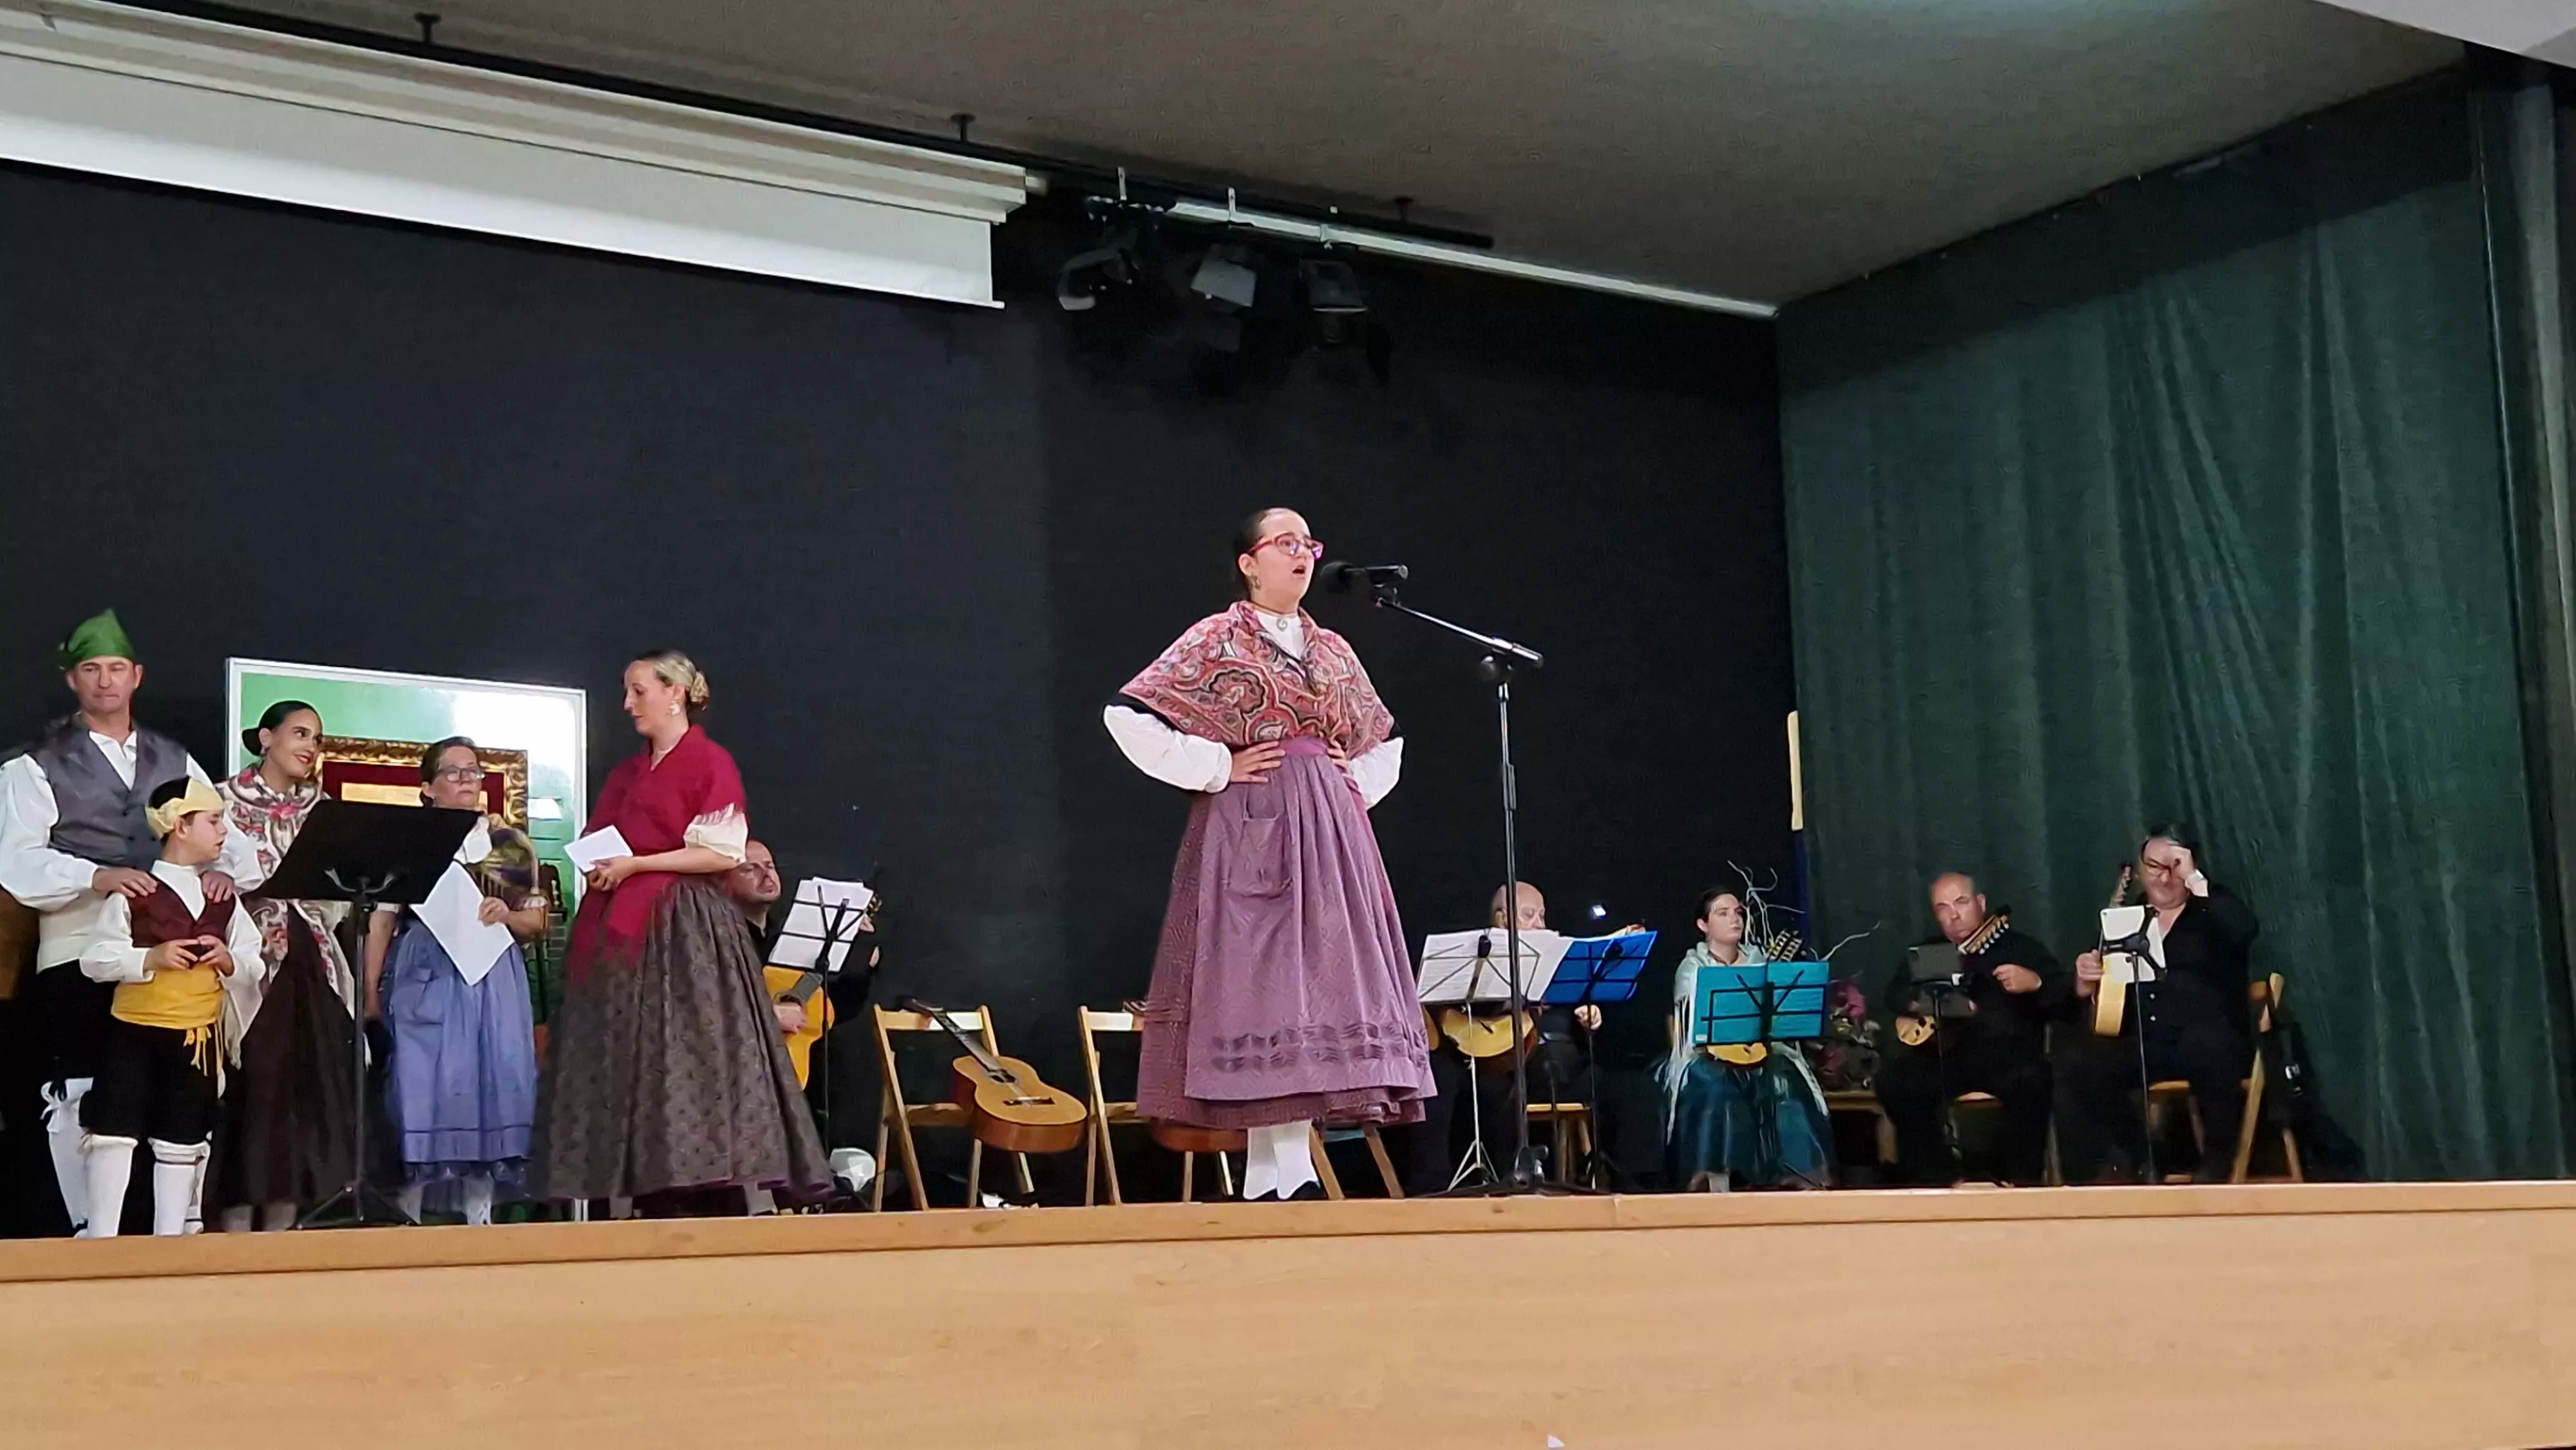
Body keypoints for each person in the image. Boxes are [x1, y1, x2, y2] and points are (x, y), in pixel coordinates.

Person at [1106, 507, 1432, 1201]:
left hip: (1329, 831)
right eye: (1286, 542)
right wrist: (1218, 765)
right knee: (1264, 989)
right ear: (1249, 563)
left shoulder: (1332, 649)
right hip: (1252, 824)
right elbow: (1127, 715)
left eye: (1309, 543)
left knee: (1321, 982)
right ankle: (1282, 1174)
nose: (1303, 553)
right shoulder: (1216, 638)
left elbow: (1386, 735)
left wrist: (1350, 784)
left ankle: (1274, 1179)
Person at [531, 652, 828, 1214]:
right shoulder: (627, 773)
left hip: (682, 927)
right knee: (623, 1057)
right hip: (618, 930)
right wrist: (603, 867)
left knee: (689, 1053)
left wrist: (637, 865)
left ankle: (700, 1185)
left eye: (639, 691)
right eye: (627, 692)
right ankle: (635, 1183)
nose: (628, 704)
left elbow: (722, 851)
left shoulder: (709, 762)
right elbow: (600, 837)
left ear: (676, 693)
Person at [0, 610, 243, 1236]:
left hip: (173, 952)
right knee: (84, 1085)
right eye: (91, 669)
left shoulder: (174, 757)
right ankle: (89, 1227)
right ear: (72, 679)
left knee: (180, 1088)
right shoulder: (36, 764)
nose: (105, 681)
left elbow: (227, 839)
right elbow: (16, 859)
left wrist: (220, 874)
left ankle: (172, 1229)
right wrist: (95, 875)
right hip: (81, 940)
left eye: (115, 668)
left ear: (136, 676)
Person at [359, 737, 542, 1226]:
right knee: (423, 1081)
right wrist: (370, 993)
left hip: (493, 973)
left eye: (473, 771)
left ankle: (480, 1214)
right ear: (428, 787)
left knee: (491, 1079)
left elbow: (537, 922)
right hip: (427, 968)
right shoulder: (408, 841)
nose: (466, 780)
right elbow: (382, 920)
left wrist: (507, 915)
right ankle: (410, 1213)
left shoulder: (510, 843)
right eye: (453, 772)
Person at [75, 777, 265, 1238]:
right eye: (214, 821)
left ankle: (171, 1239)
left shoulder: (223, 899)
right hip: (134, 1032)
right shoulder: (136, 893)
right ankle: (101, 1237)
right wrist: (149, 958)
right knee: (113, 1135)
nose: (224, 831)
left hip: (195, 1038)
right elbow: (95, 959)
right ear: (181, 826)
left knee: (183, 1138)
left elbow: (253, 962)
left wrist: (228, 960)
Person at [211, 700, 359, 1232]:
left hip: (310, 957)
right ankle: (232, 1227)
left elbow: (340, 892)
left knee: (304, 1091)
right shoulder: (222, 800)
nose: (309, 747)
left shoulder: (323, 808)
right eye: (299, 733)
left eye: (316, 739)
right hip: (249, 958)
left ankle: (283, 1229)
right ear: (266, 737)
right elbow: (202, 870)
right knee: (254, 1089)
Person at [2059, 824, 2261, 1183]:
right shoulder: (2125, 919)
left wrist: (2195, 880)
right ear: (2140, 869)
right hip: (2147, 1040)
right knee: (2079, 1061)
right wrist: (2085, 979)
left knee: (2210, 1047)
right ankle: (2144, 1157)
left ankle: (2217, 1165)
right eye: (2155, 867)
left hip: (2206, 1038)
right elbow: (2100, 986)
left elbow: (2245, 929)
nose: (2164, 878)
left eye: (2174, 867)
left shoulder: (2212, 908)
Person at [1405, 882, 1609, 1193]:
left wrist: (1587, 1018)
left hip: (1534, 1059)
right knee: (1442, 1082)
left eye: (1542, 915)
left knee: (1505, 1088)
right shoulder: (1477, 955)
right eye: (1529, 915)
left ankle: (1517, 1179)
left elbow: (1573, 1010)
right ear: (1502, 919)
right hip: (1467, 1050)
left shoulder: (1555, 958)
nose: (1539, 924)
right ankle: (1433, 1188)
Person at [1871, 873, 2061, 1185]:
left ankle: (2021, 1182)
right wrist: (1928, 1002)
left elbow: (2065, 1000)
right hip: (1947, 1056)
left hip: (2008, 1056)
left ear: (1981, 903)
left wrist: (2036, 983)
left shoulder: (2020, 948)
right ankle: (1935, 1178)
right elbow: (1895, 995)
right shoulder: (1932, 951)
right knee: (1896, 1080)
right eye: (1943, 908)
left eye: (1961, 903)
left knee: (2033, 1081)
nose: (1954, 915)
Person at [1663, 887, 1831, 1190]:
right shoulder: (1692, 967)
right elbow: (1692, 1027)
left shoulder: (1759, 960)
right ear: (1703, 925)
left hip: (1760, 1051)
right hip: (1706, 1053)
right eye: (1723, 913)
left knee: (1784, 1079)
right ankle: (1715, 1175)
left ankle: (1801, 1172)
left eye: (1738, 913)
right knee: (1716, 1087)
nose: (1735, 919)